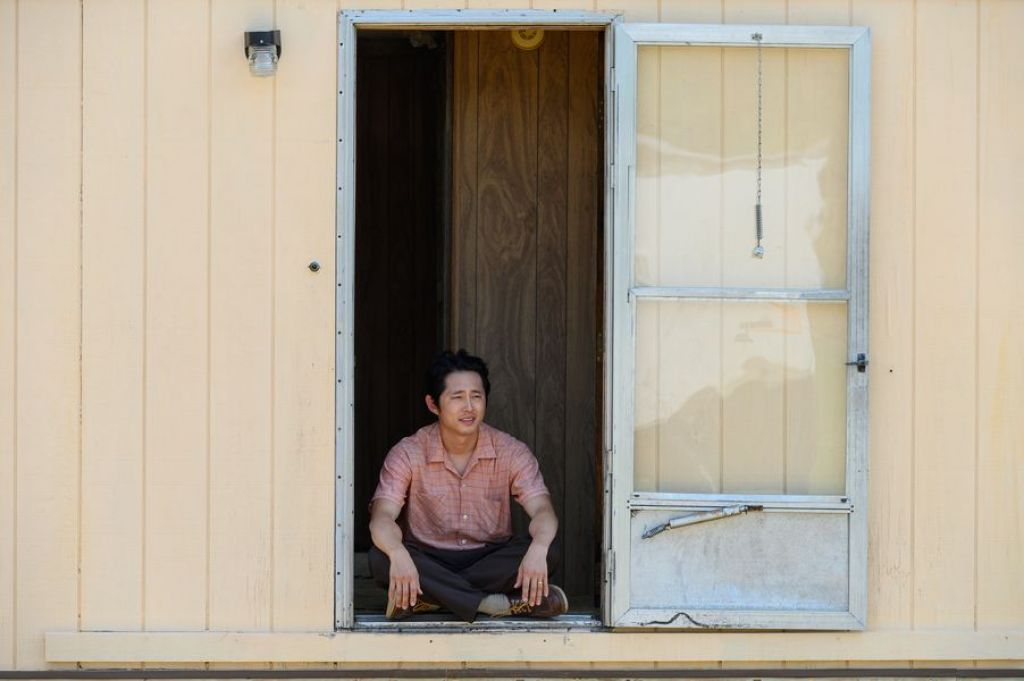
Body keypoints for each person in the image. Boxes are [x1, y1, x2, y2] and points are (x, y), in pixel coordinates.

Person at [368, 349, 568, 622]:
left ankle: (432, 600)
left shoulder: (511, 451)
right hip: (429, 557)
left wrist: (540, 547)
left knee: (549, 550)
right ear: (433, 404)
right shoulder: (408, 453)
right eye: (457, 397)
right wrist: (397, 553)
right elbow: (381, 518)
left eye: (476, 396)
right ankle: (492, 603)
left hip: (489, 558)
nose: (469, 407)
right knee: (380, 558)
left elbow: (543, 511)